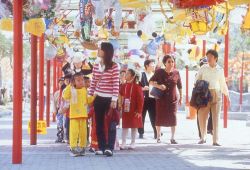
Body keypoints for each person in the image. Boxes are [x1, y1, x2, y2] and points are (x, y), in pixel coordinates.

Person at [89, 42, 120, 157]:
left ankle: (110, 147)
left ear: (105, 51)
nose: (98, 50)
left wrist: (114, 99)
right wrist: (90, 96)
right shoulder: (96, 65)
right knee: (99, 123)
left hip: (110, 99)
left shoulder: (114, 66)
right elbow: (93, 82)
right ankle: (101, 147)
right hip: (98, 98)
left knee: (112, 124)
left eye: (100, 49)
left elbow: (115, 83)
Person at [195, 49, 230, 146]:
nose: (208, 58)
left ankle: (215, 140)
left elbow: (222, 83)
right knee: (202, 116)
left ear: (215, 58)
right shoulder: (203, 68)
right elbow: (196, 80)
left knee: (216, 117)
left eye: (210, 57)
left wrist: (227, 95)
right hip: (204, 94)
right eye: (207, 57)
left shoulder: (220, 69)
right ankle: (203, 137)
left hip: (217, 94)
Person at [149, 55, 182, 144]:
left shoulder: (176, 72)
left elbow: (179, 86)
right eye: (169, 62)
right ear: (165, 63)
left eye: (172, 61)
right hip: (161, 99)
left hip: (172, 99)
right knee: (159, 117)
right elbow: (151, 81)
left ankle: (172, 137)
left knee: (173, 117)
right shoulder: (159, 72)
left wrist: (181, 97)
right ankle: (158, 137)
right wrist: (159, 86)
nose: (171, 63)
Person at [63, 72, 94, 156]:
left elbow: (88, 100)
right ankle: (73, 147)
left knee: (83, 132)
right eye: (78, 80)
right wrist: (70, 86)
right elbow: (65, 96)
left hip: (83, 115)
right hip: (74, 116)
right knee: (74, 132)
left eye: (82, 80)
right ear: (73, 82)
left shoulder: (84, 90)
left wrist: (94, 96)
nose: (81, 82)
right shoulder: (71, 89)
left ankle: (82, 147)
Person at [119, 69, 144, 149]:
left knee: (134, 126)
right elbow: (120, 96)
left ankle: (133, 142)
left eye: (128, 74)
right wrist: (120, 105)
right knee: (125, 126)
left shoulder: (137, 87)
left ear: (133, 76)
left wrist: (139, 111)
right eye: (125, 73)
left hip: (134, 109)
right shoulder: (123, 86)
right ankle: (123, 142)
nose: (125, 75)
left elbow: (141, 99)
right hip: (126, 109)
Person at [138, 59, 157, 139]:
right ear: (147, 66)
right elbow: (136, 86)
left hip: (153, 99)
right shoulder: (141, 75)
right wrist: (142, 88)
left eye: (154, 64)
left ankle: (156, 132)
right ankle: (141, 132)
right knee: (142, 116)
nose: (153, 66)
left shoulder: (155, 75)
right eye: (152, 64)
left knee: (154, 116)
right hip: (143, 99)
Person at [197, 58, 213, 139]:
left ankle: (209, 128)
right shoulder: (198, 73)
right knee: (200, 116)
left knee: (212, 114)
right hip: (201, 97)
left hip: (210, 96)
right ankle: (201, 135)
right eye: (203, 64)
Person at [53, 78, 66, 143]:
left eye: (63, 83)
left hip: (65, 109)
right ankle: (60, 137)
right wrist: (54, 110)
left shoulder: (66, 91)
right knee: (59, 124)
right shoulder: (56, 93)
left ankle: (65, 137)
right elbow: (54, 103)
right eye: (60, 83)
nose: (61, 84)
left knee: (65, 124)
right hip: (59, 109)